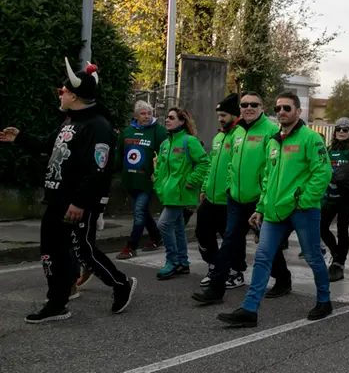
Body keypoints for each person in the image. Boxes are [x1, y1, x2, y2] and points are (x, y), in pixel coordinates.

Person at [1, 58, 137, 323]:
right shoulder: (70, 121)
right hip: (57, 199)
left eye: (61, 91)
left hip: (77, 203)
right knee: (51, 250)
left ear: (73, 95)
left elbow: (98, 169)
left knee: (83, 250)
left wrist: (80, 202)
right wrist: (20, 138)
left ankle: (121, 284)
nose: (59, 95)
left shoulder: (98, 126)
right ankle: (58, 301)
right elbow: (48, 146)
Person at [216, 92, 333, 326]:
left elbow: (322, 172)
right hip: (273, 211)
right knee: (262, 257)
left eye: (287, 108)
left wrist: (303, 200)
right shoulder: (274, 141)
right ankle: (249, 310)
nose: (281, 112)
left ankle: (324, 300)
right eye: (278, 108)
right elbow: (267, 178)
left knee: (312, 257)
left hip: (303, 211)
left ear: (298, 112)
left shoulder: (311, 138)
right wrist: (260, 207)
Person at [192, 92, 281, 302]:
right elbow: (231, 163)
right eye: (244, 104)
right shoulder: (238, 131)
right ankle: (216, 290)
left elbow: (273, 169)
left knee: (267, 244)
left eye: (254, 104)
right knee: (229, 241)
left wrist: (263, 201)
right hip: (235, 199)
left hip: (259, 199)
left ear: (262, 107)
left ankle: (283, 278)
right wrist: (230, 187)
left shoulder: (271, 131)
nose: (249, 108)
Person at [153, 107, 210, 279]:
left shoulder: (189, 141)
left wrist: (192, 180)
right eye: (167, 117)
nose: (167, 120)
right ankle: (183, 262)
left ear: (182, 121)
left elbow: (204, 163)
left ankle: (172, 261)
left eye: (172, 117)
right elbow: (160, 168)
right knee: (177, 227)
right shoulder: (165, 144)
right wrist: (158, 184)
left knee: (163, 224)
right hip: (169, 193)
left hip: (180, 193)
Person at [196, 93, 240, 287]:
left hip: (229, 198)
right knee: (202, 233)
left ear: (234, 115)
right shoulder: (218, 136)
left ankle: (236, 271)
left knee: (231, 239)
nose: (220, 119)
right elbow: (211, 165)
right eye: (219, 115)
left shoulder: (239, 135)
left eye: (224, 115)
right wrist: (205, 187)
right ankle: (214, 266)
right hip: (211, 197)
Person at [114, 100, 167, 260]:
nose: (147, 116)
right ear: (136, 115)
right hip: (130, 179)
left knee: (138, 212)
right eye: (143, 113)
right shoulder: (128, 131)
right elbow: (119, 154)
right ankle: (157, 237)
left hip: (147, 180)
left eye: (149, 113)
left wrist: (158, 173)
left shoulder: (158, 131)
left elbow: (165, 154)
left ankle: (132, 246)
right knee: (142, 211)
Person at [321, 117, 349, 282]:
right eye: (338, 129)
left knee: (342, 230)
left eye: (345, 129)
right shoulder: (328, 149)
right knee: (321, 227)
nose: (341, 132)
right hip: (329, 196)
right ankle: (336, 254)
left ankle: (339, 263)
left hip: (347, 198)